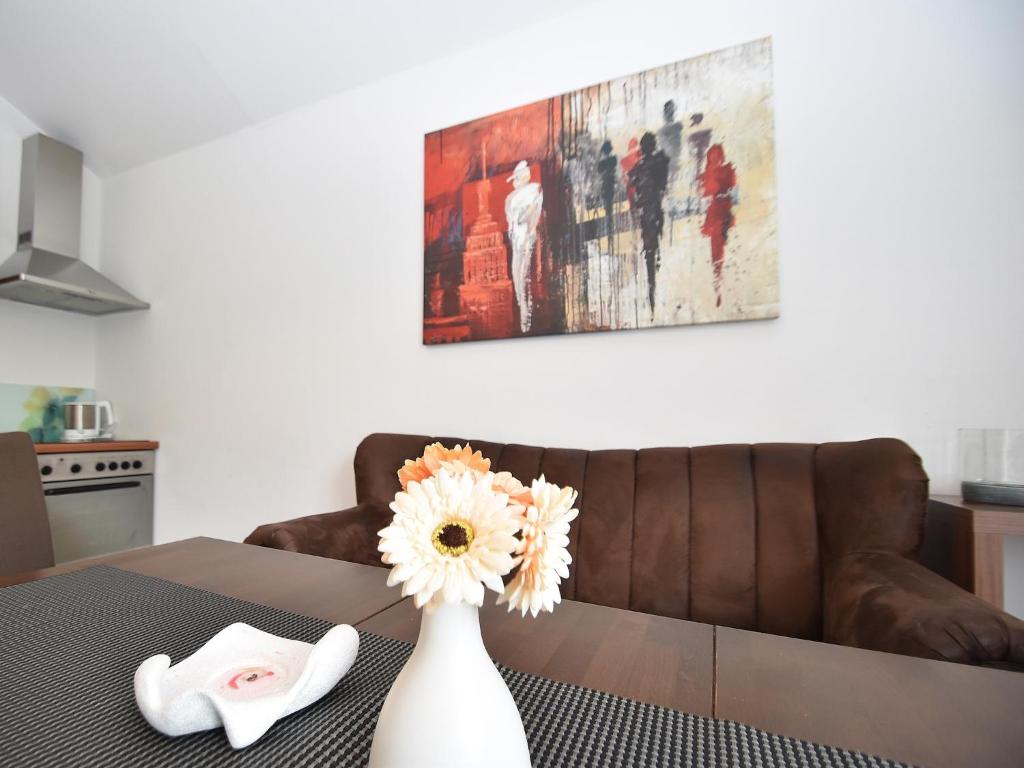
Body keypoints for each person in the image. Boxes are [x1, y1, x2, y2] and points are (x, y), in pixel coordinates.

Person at [627, 132, 669, 314]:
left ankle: (652, 288)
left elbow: (632, 181)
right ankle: (652, 287)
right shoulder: (659, 163)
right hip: (654, 211)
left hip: (647, 212)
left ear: (643, 148)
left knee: (649, 248)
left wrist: (638, 200)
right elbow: (661, 185)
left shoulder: (641, 167)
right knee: (653, 244)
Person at [504, 160, 543, 333]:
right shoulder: (510, 198)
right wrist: (513, 228)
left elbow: (534, 212)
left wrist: (523, 220)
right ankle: (523, 306)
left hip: (528, 236)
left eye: (518, 177)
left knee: (524, 274)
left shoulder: (535, 190)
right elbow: (510, 220)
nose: (516, 181)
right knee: (516, 274)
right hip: (516, 239)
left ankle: (526, 317)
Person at [699, 143, 736, 308]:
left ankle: (718, 280)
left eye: (715, 156)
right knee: (717, 248)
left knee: (717, 248)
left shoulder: (717, 172)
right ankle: (718, 281)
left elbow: (705, 192)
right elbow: (707, 191)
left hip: (719, 212)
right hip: (720, 212)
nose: (714, 159)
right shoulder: (724, 170)